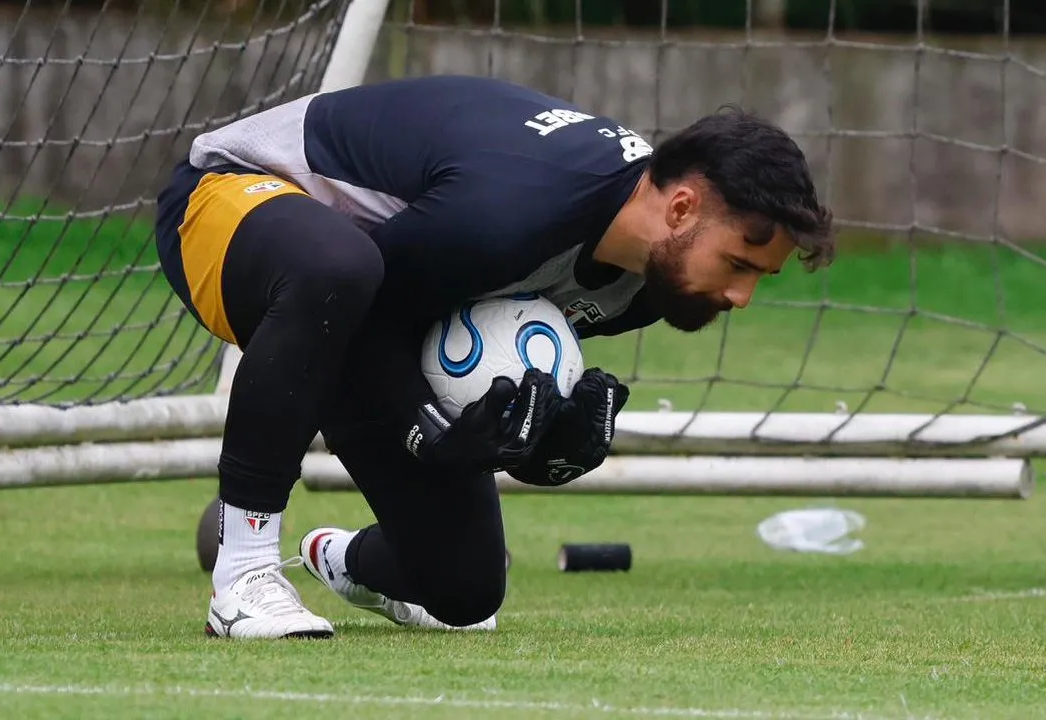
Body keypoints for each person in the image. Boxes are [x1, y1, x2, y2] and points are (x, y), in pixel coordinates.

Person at [154, 74, 835, 640]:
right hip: (235, 198)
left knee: (466, 591)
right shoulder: (512, 211)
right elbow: (369, 311)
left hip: (367, 293)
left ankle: (343, 558)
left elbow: (446, 339)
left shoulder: (645, 283)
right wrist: (423, 428)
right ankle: (243, 573)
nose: (741, 296)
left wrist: (534, 443)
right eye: (738, 264)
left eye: (759, 278)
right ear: (682, 208)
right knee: (338, 266)